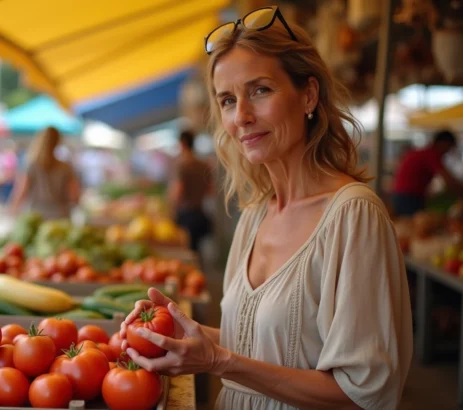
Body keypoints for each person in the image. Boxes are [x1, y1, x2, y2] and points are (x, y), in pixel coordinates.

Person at [120, 8, 413, 410]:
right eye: (227, 99)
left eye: (260, 90)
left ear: (308, 95)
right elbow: (262, 343)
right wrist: (168, 331)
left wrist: (220, 362)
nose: (240, 116)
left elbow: (364, 393)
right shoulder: (256, 215)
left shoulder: (354, 217)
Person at [9, 126, 80, 220]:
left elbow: (21, 192)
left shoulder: (31, 165)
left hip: (36, 217)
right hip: (61, 216)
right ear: (58, 141)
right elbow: (73, 195)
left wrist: (12, 209)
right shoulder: (66, 167)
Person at [392, 130, 462, 216]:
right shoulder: (431, 154)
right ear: (443, 143)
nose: (448, 151)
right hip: (408, 197)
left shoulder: (425, 152)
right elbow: (448, 180)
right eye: (449, 147)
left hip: (403, 195)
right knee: (414, 225)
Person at [169, 130, 213, 252]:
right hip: (200, 212)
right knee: (197, 249)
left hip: (185, 215)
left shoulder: (182, 165)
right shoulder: (203, 165)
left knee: (187, 250)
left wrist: (172, 208)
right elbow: (210, 190)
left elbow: (179, 191)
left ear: (182, 143)